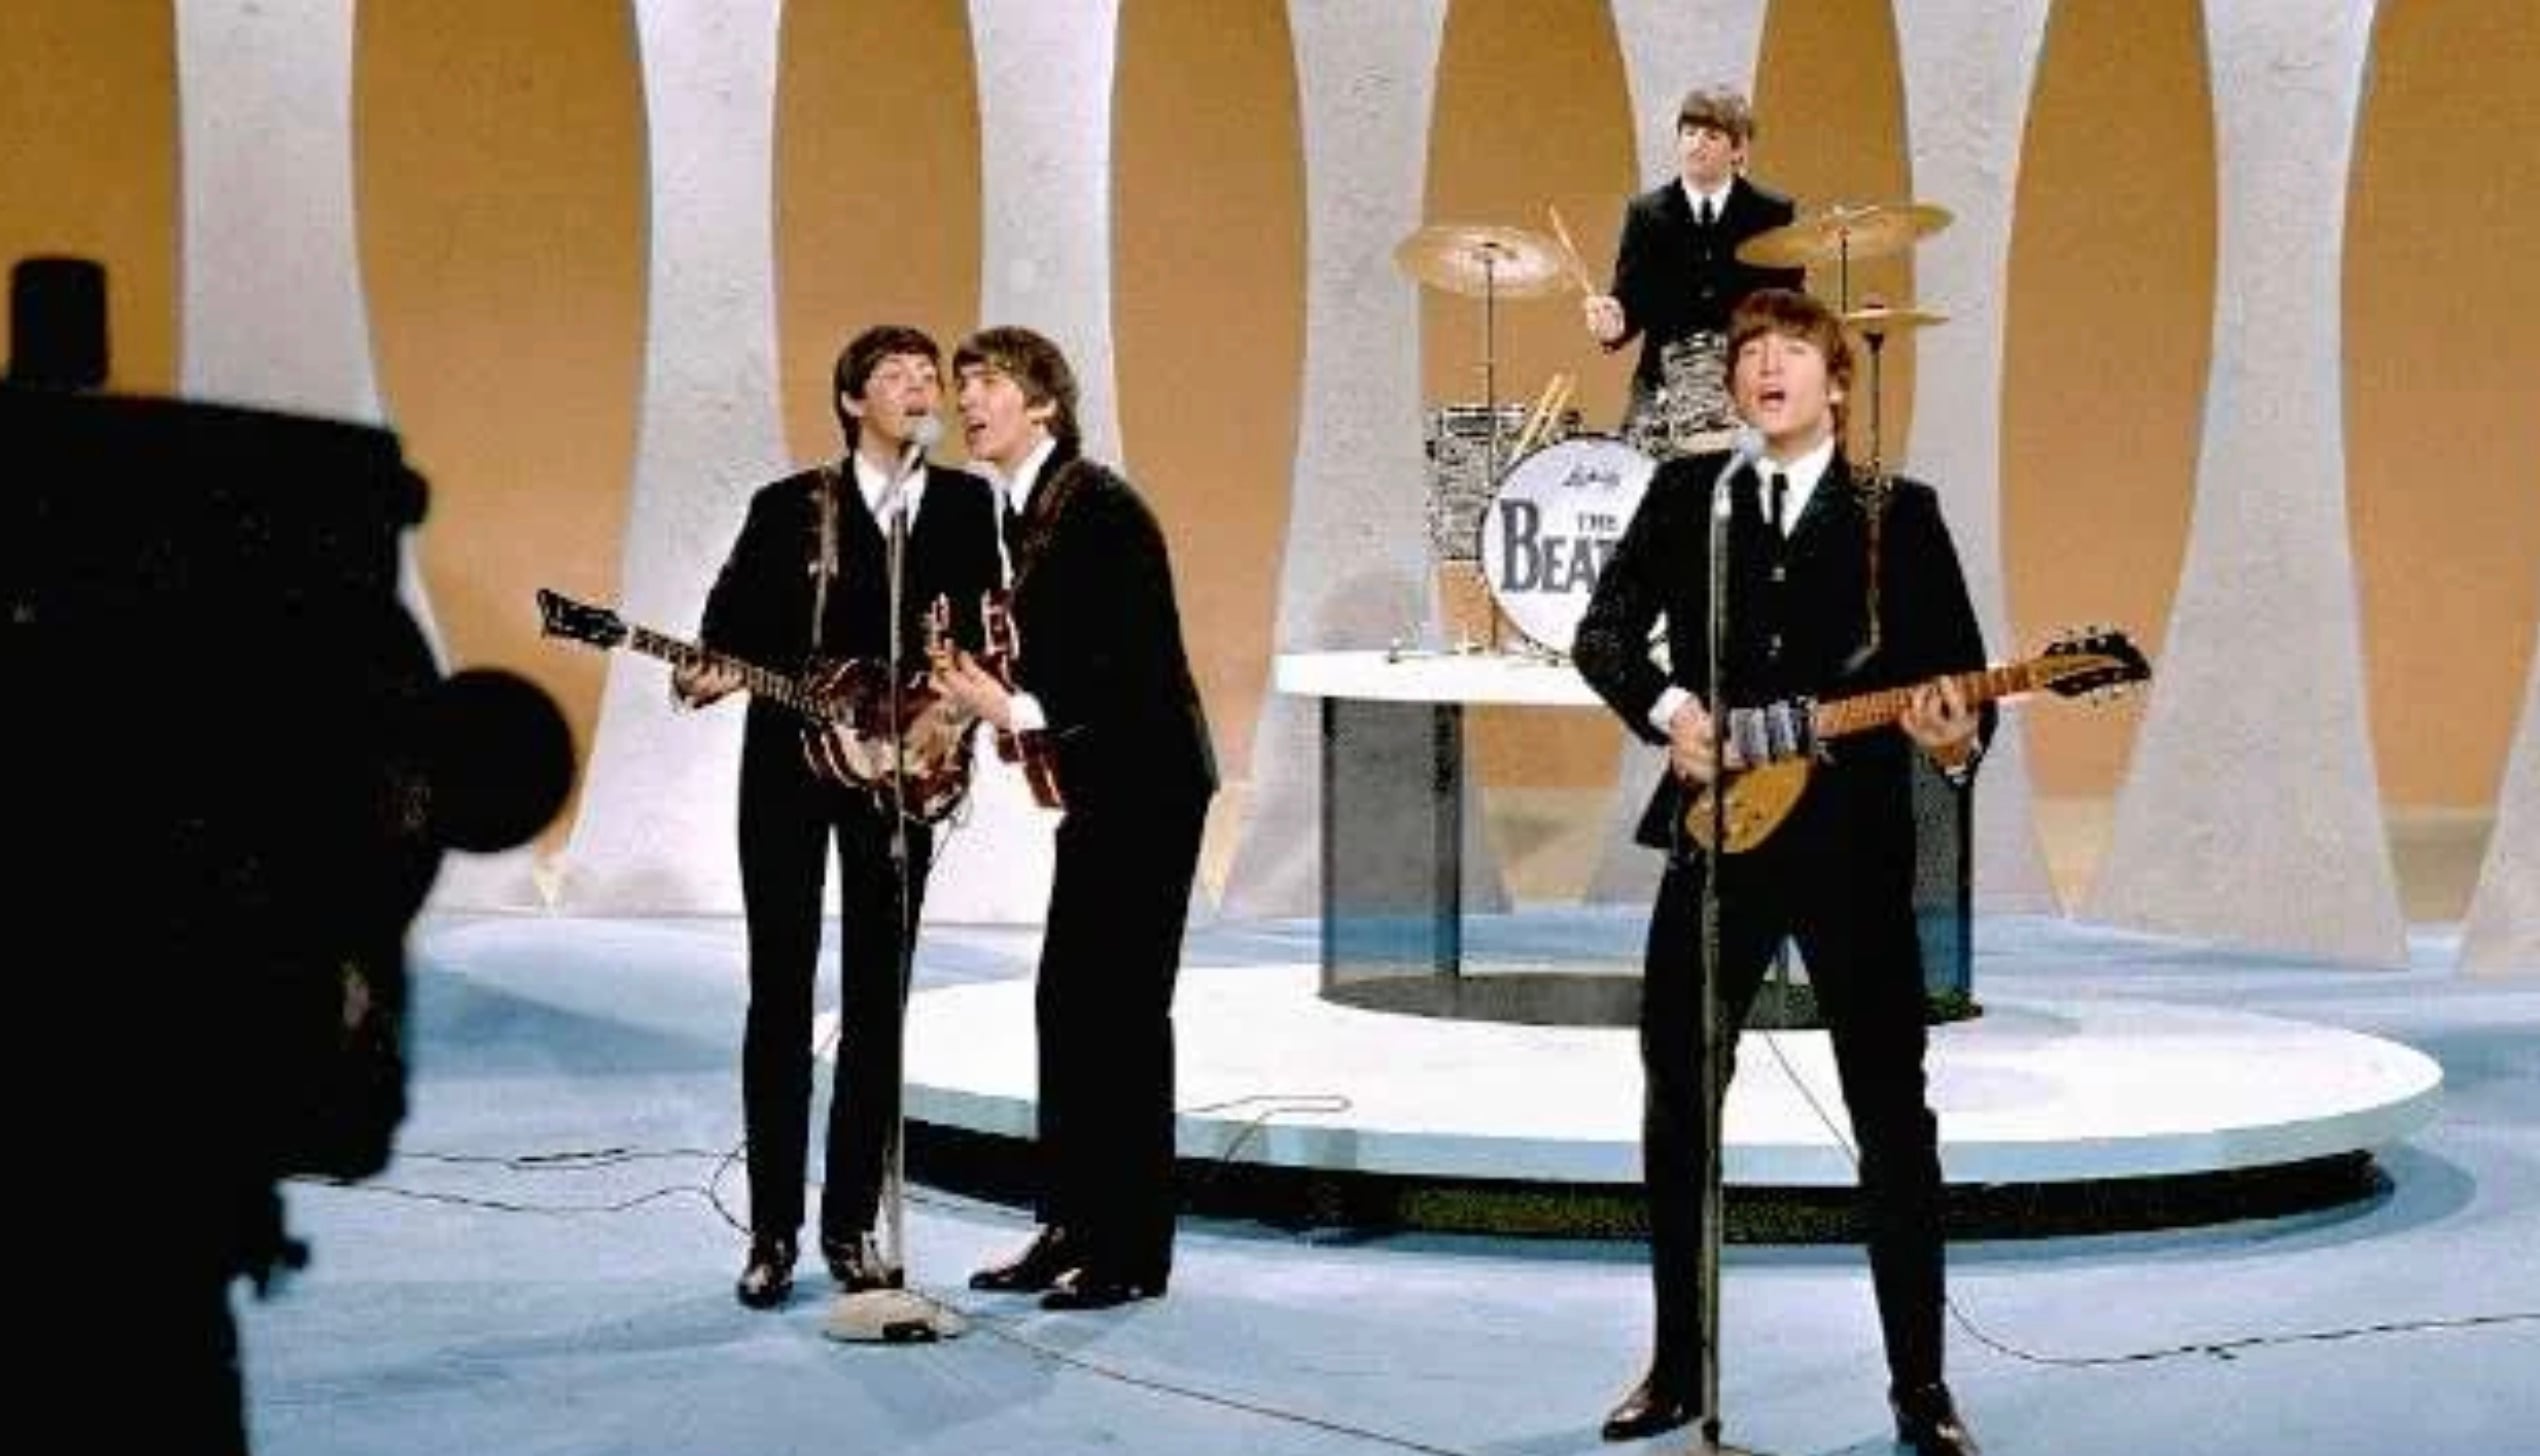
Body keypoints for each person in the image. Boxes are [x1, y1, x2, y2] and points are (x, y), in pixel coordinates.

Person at [1571, 288, 1988, 1455]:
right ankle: (1674, 1363)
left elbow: (1953, 680)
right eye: (1749, 352)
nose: (1765, 368)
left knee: (1891, 1116)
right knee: (1675, 1099)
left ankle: (1919, 1383)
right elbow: (1600, 634)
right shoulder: (1686, 495)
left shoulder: (1894, 513)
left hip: (1852, 851)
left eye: (1790, 352)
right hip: (1713, 839)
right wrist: (1666, 707)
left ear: (1835, 383)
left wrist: (1953, 737)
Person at [673, 325, 1004, 1310]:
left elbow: (985, 633)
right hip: (784, 767)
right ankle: (771, 1230)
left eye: (927, 377)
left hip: (902, 774)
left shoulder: (959, 504)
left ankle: (852, 1223)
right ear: (852, 400)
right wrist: (702, 670)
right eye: (895, 376)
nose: (919, 389)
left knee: (876, 1003)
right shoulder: (786, 509)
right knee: (776, 995)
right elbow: (718, 634)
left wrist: (943, 728)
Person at [933, 326, 1218, 1311]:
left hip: (1148, 781)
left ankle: (1131, 1248)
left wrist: (1006, 709)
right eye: (962, 386)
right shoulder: (1019, 511)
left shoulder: (1096, 507)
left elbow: (1131, 668)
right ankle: (1070, 1220)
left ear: (1045, 403)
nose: (969, 402)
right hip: (1104, 789)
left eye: (991, 385)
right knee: (1068, 1004)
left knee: (1123, 1017)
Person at [1583, 84, 1806, 459]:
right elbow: (1629, 303)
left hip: (1743, 382)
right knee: (1635, 472)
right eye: (1688, 132)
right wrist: (1613, 325)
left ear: (1737, 150)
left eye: (1711, 135)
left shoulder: (1772, 212)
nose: (1695, 143)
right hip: (1662, 384)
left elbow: (1788, 309)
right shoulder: (1648, 213)